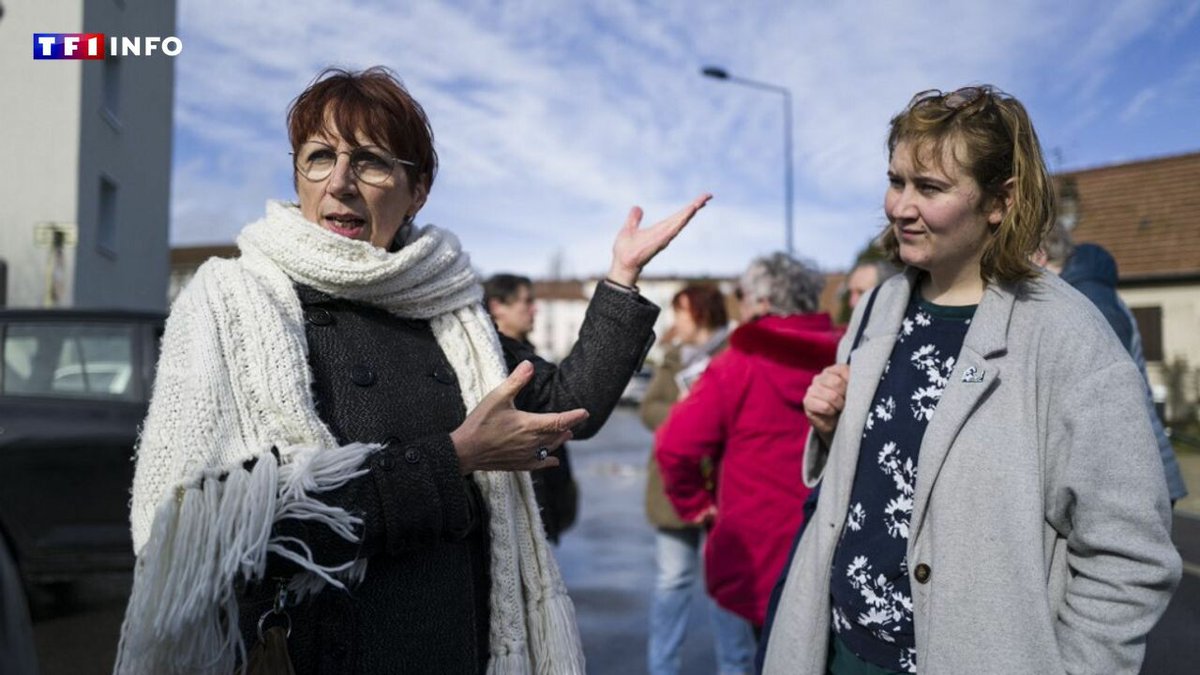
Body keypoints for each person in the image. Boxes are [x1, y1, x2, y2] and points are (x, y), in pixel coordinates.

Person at [114, 66, 712, 675]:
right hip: (320, 651)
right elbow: (217, 532)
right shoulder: (231, 300)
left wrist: (620, 280)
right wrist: (452, 460)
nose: (340, 183)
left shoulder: (450, 309)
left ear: (417, 190)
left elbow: (567, 404)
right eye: (319, 157)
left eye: (370, 161)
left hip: (461, 643)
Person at [763, 86, 1181, 674]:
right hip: (838, 650)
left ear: (1000, 201)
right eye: (896, 180)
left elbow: (1130, 556)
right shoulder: (879, 305)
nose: (899, 206)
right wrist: (833, 429)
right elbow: (883, 477)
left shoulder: (1069, 337)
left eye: (929, 188)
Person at [656, 254, 840, 639]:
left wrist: (694, 504)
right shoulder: (850, 357)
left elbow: (675, 446)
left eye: (741, 294)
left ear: (762, 302)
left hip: (759, 554)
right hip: (835, 548)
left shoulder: (737, 365)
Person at [638, 284, 755, 675]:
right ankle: (662, 668)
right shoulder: (672, 358)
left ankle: (735, 668)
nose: (675, 323)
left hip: (727, 490)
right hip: (674, 488)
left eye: (681, 313)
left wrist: (712, 421)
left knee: (729, 588)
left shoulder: (738, 353)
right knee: (671, 583)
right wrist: (688, 418)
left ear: (702, 314)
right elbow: (649, 407)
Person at [1036, 225, 1188, 504]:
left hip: (1136, 472)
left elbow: (1107, 394)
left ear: (1040, 255)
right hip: (1136, 466)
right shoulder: (1084, 290)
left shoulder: (1089, 300)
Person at [484, 273, 580, 544]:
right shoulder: (494, 365)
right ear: (496, 307)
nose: (534, 309)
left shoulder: (529, 353)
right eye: (526, 302)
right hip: (516, 508)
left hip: (547, 502)